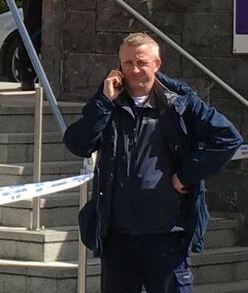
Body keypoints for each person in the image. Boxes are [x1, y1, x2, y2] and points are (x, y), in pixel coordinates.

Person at [64, 32, 243, 293]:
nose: (134, 70)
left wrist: (186, 175)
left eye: (141, 62)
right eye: (127, 63)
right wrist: (103, 102)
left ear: (156, 64)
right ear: (118, 65)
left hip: (166, 234)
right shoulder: (107, 102)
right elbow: (77, 144)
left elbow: (228, 138)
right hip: (117, 235)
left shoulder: (179, 102)